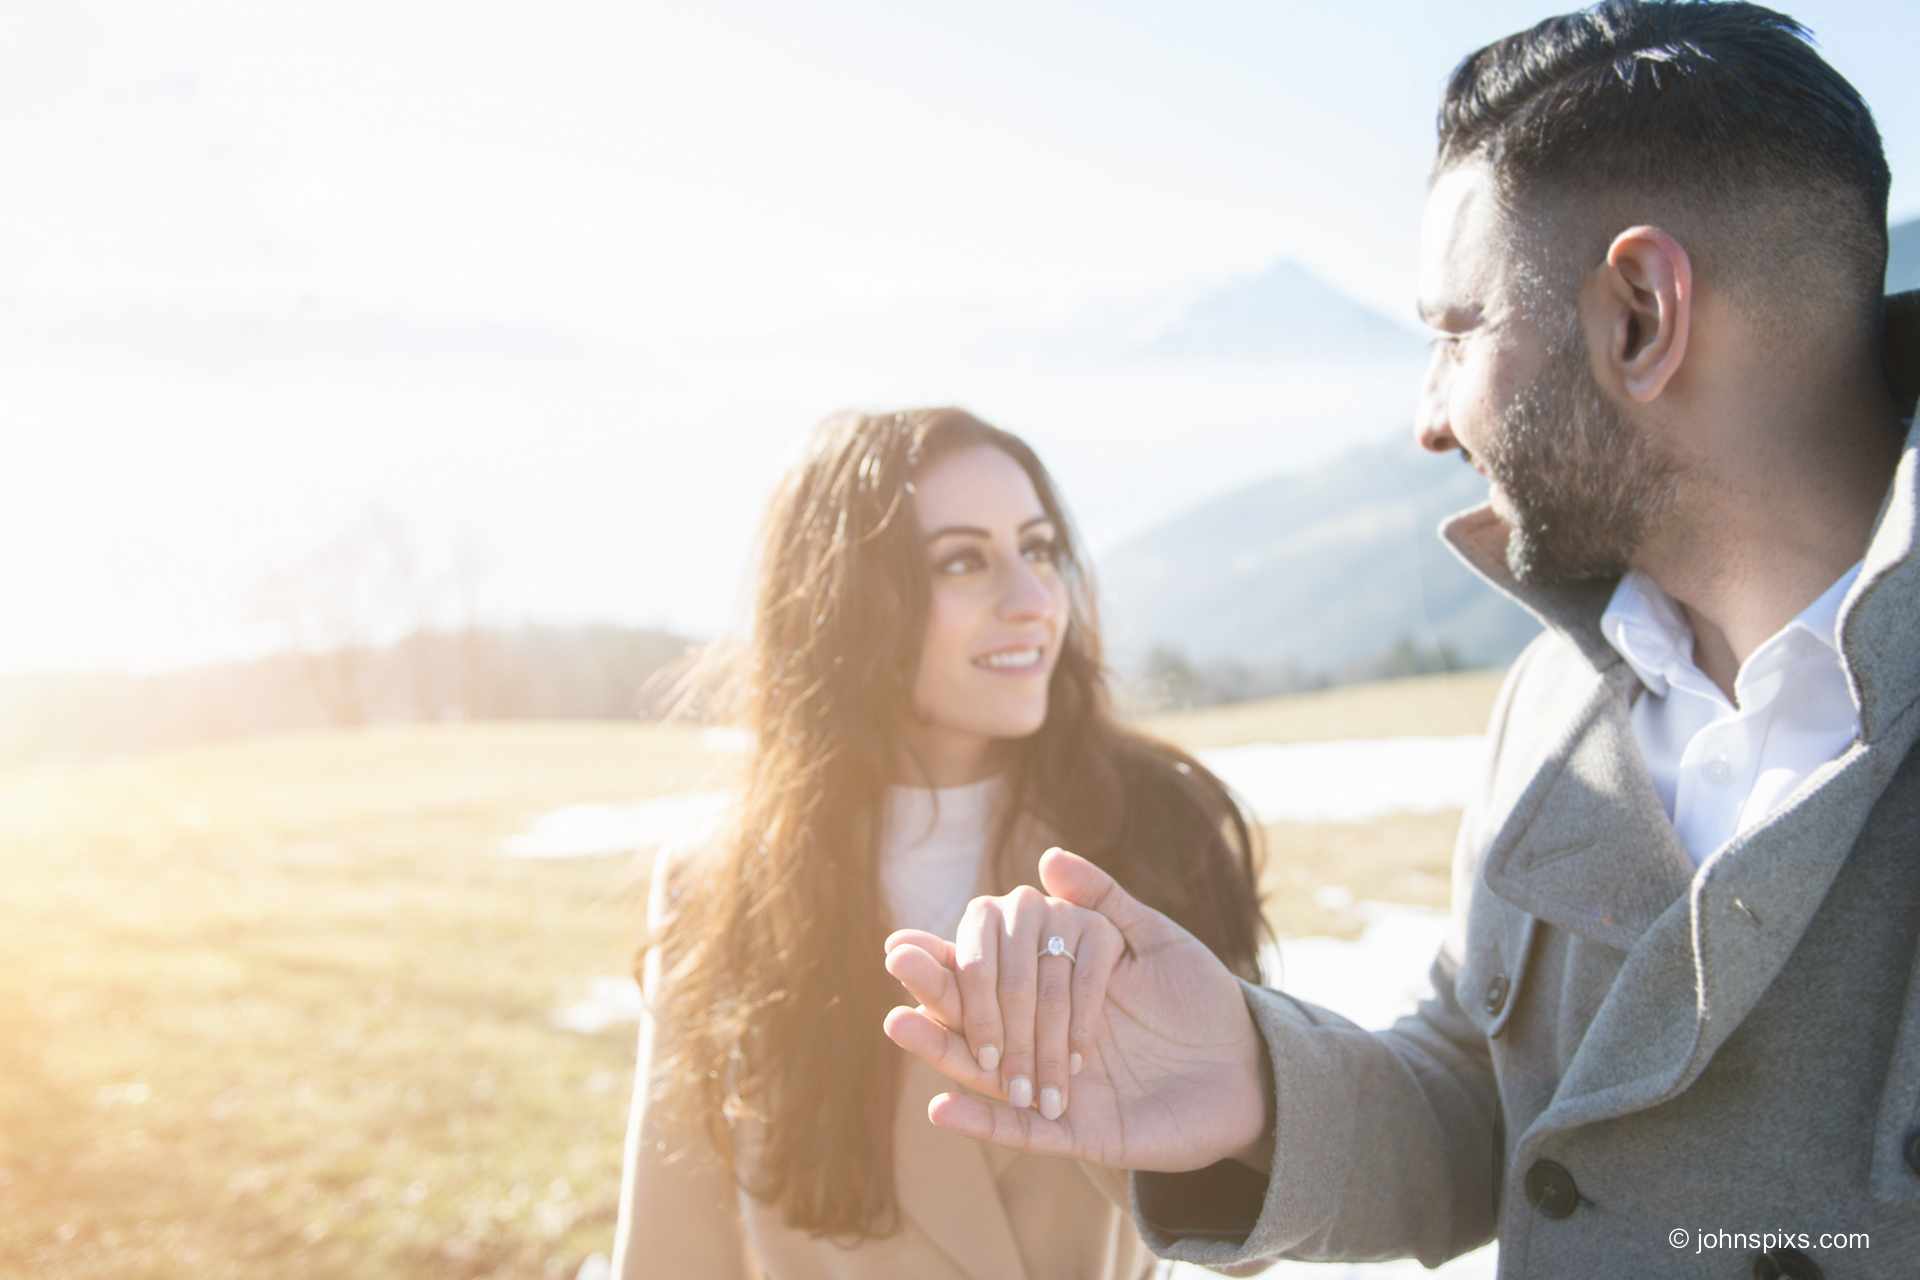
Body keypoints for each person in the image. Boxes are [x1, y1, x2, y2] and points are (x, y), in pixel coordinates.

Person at [882, 4, 1920, 1278]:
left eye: (1453, 330)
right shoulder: (1552, 705)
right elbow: (1506, 1110)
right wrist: (1255, 1082)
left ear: (1640, 315)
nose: (1430, 416)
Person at [610, 407, 1270, 1279]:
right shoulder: (722, 882)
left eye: (1038, 549)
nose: (1033, 601)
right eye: (964, 561)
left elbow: (1247, 1207)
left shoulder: (1155, 831)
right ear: (845, 602)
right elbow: (674, 1251)